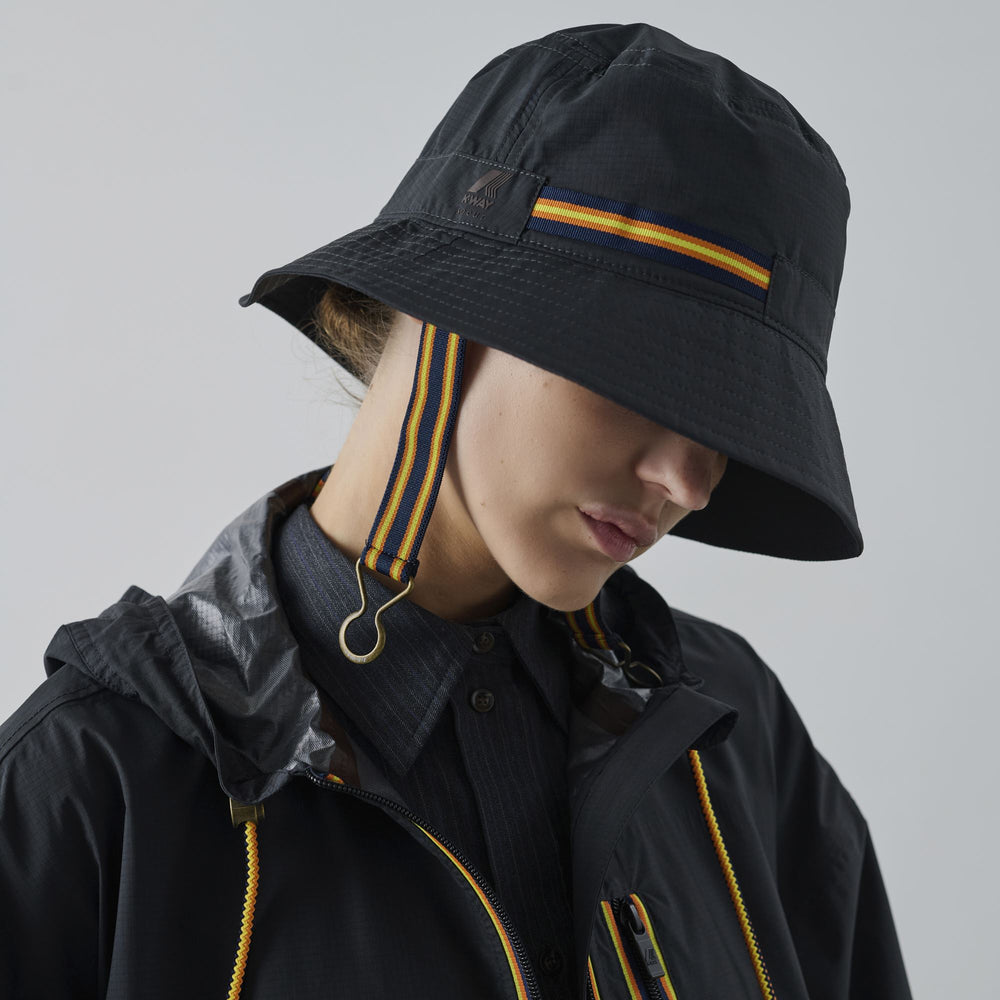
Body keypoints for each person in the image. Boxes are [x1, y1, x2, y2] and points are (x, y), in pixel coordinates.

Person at [0, 21, 912, 1000]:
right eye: (651, 380)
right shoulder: (95, 786)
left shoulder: (731, 740)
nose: (687, 483)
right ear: (452, 313)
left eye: (732, 423)